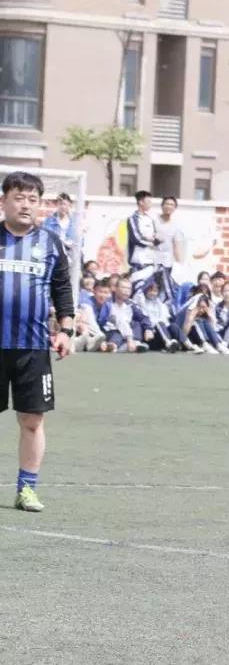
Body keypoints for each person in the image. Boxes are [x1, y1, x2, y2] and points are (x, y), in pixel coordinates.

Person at [0, 172, 75, 513]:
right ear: (4, 201)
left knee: (32, 421)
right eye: (19, 197)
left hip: (32, 347)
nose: (26, 204)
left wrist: (66, 330)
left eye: (33, 199)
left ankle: (26, 489)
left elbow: (62, 289)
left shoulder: (50, 243)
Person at [126, 190, 159, 294]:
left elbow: (156, 237)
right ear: (141, 202)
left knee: (149, 291)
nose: (150, 204)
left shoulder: (150, 219)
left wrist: (150, 239)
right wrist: (149, 242)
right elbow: (136, 238)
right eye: (148, 201)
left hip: (150, 262)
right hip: (138, 262)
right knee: (137, 291)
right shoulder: (133, 219)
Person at [154, 196, 182, 301]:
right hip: (153, 261)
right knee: (151, 287)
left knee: (164, 290)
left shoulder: (175, 226)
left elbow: (176, 246)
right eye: (167, 204)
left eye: (172, 205)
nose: (169, 206)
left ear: (175, 208)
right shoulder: (154, 221)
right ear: (162, 206)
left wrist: (179, 265)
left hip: (167, 263)